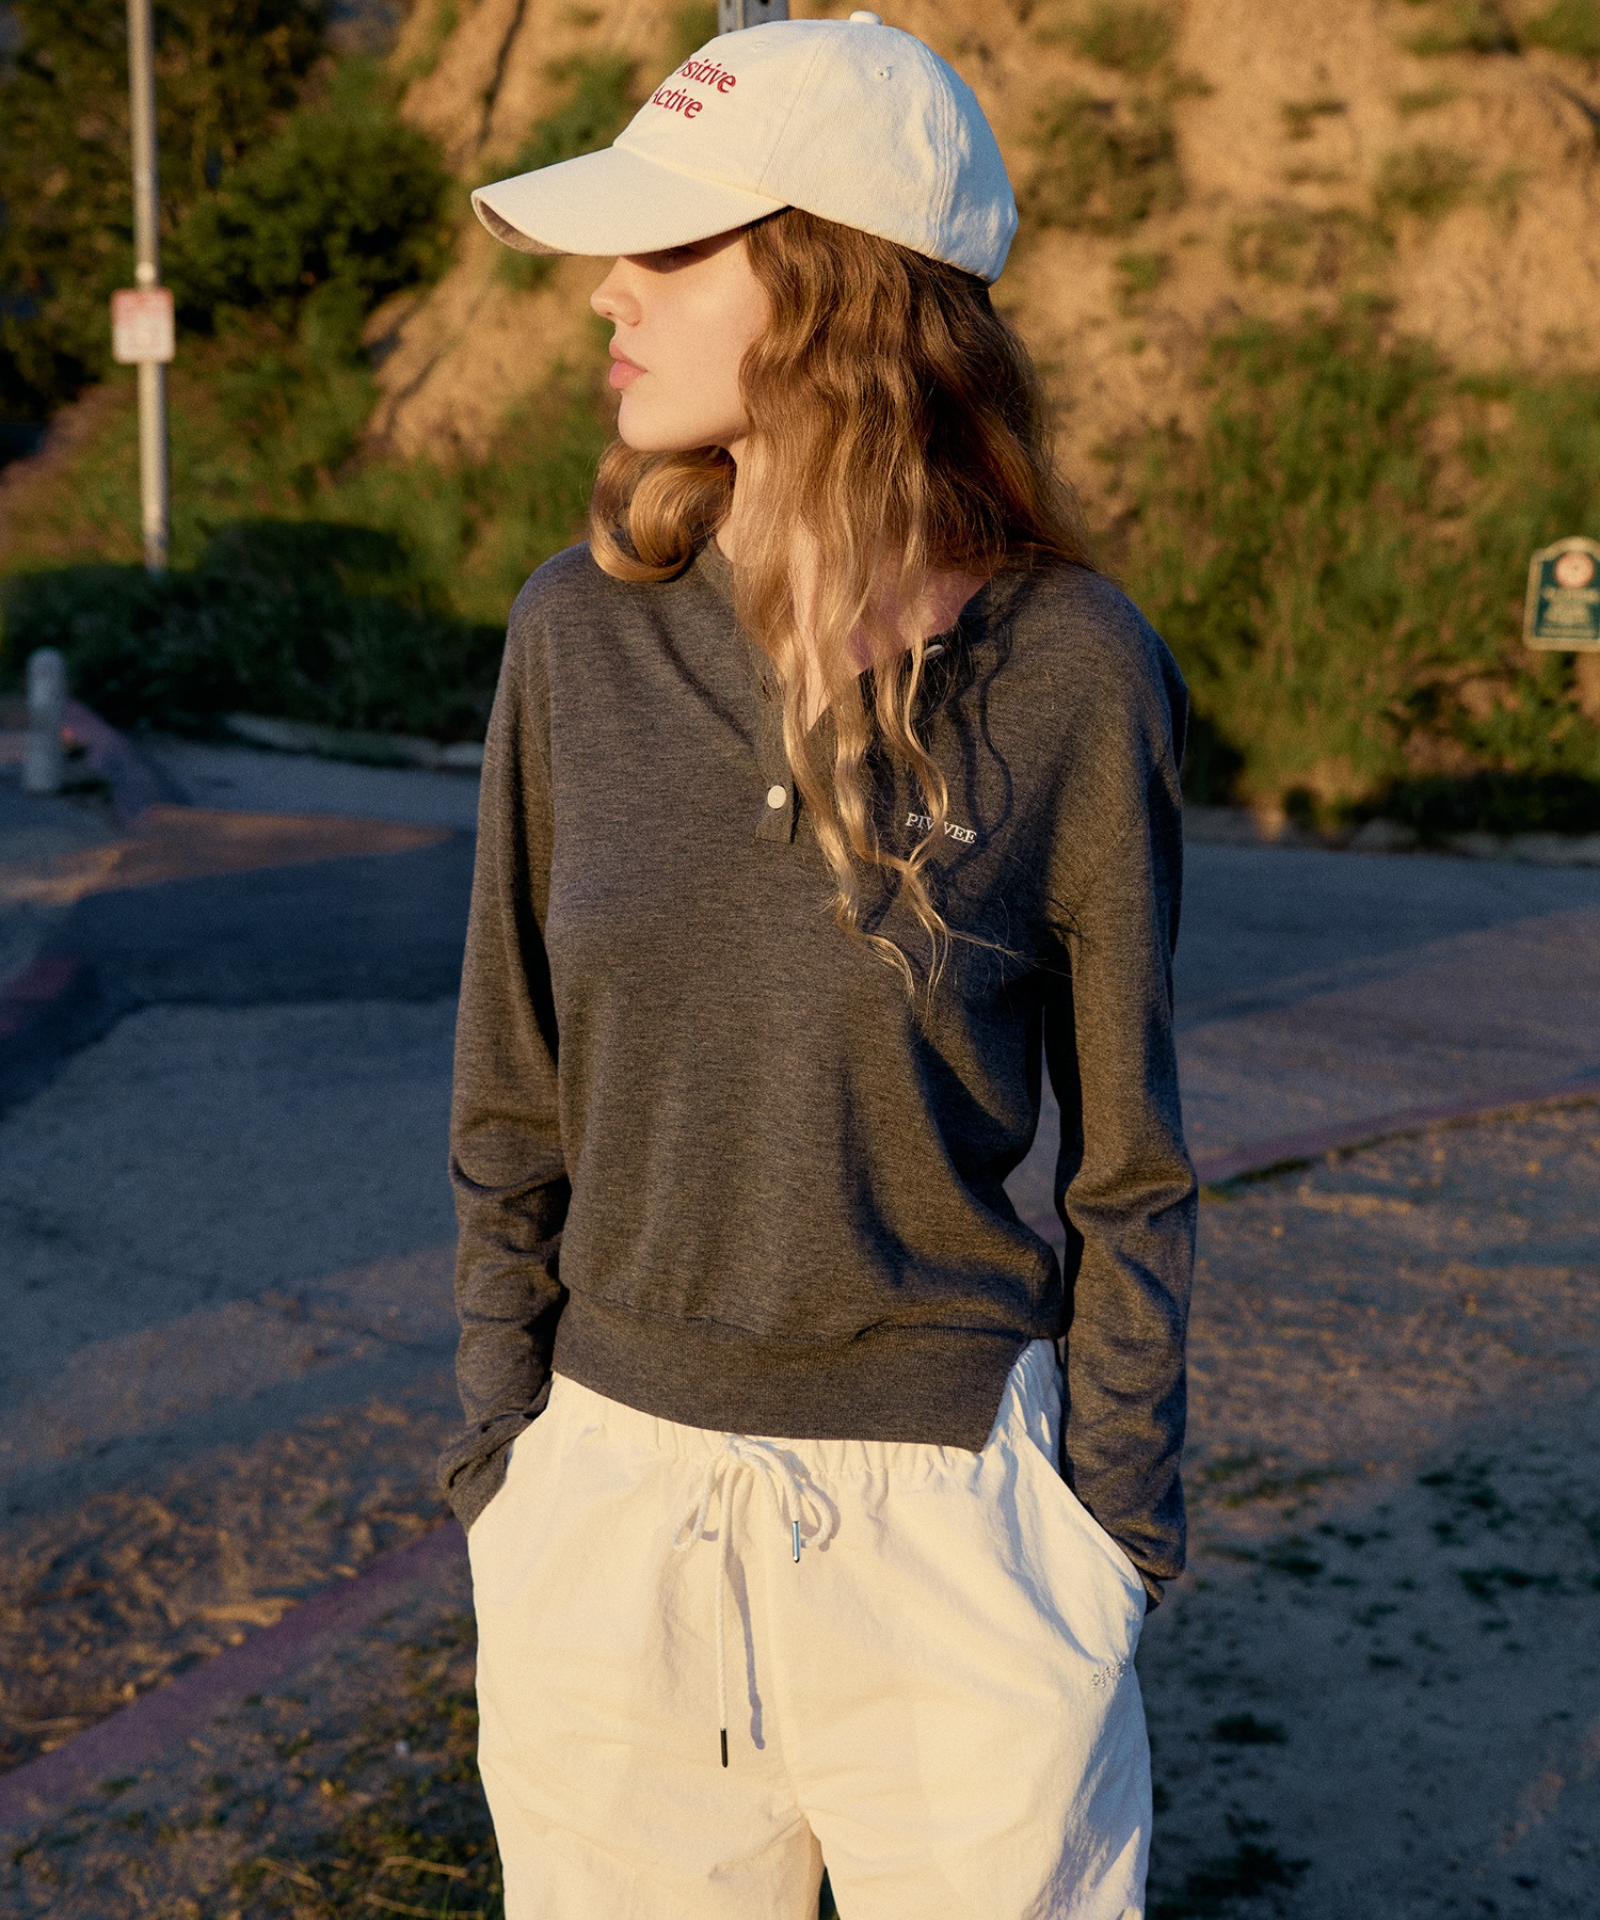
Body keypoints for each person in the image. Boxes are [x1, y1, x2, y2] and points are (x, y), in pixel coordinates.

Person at [442, 13, 1195, 1919]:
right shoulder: (577, 634)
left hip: (952, 1537)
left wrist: (1111, 1538)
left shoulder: (1074, 669)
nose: (608, 288)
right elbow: (511, 1098)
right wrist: (507, 1470)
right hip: (607, 1522)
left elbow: (1131, 1162)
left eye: (670, 244)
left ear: (831, 285)